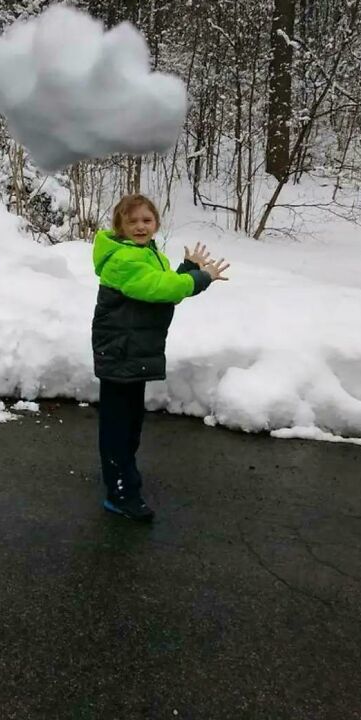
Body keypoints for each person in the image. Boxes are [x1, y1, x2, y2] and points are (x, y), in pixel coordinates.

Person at [91, 193, 230, 522]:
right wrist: (201, 277)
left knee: (130, 424)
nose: (140, 226)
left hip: (133, 351)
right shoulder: (123, 259)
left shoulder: (146, 253)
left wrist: (186, 269)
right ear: (120, 227)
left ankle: (124, 476)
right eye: (132, 221)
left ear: (156, 224)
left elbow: (162, 289)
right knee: (118, 427)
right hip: (120, 353)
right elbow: (160, 288)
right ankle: (120, 491)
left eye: (146, 220)